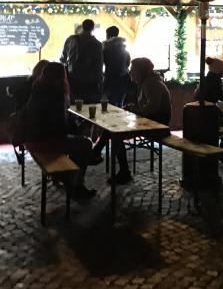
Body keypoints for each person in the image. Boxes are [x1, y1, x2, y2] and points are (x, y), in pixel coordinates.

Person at [21, 62, 95, 200]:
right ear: (61, 77)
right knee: (86, 144)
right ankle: (77, 185)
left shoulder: (37, 89)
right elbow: (60, 129)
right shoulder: (56, 93)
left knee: (77, 143)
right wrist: (81, 127)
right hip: (43, 142)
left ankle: (72, 179)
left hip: (31, 139)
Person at [108, 57, 172, 184]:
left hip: (157, 127)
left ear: (140, 71)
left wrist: (134, 109)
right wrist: (134, 108)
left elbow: (152, 108)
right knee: (113, 130)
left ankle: (124, 172)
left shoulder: (150, 84)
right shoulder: (147, 82)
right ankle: (98, 153)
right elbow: (148, 107)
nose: (130, 72)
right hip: (151, 123)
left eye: (133, 69)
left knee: (116, 134)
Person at [61, 19, 103, 102]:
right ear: (92, 28)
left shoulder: (70, 39)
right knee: (87, 105)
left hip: (72, 78)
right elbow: (99, 65)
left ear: (82, 26)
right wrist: (99, 82)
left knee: (73, 104)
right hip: (89, 81)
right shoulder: (97, 44)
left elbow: (63, 58)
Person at [102, 26, 131, 107]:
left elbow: (101, 63)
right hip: (123, 79)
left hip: (110, 79)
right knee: (120, 103)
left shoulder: (106, 49)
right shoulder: (124, 49)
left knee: (110, 104)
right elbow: (128, 63)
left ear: (108, 35)